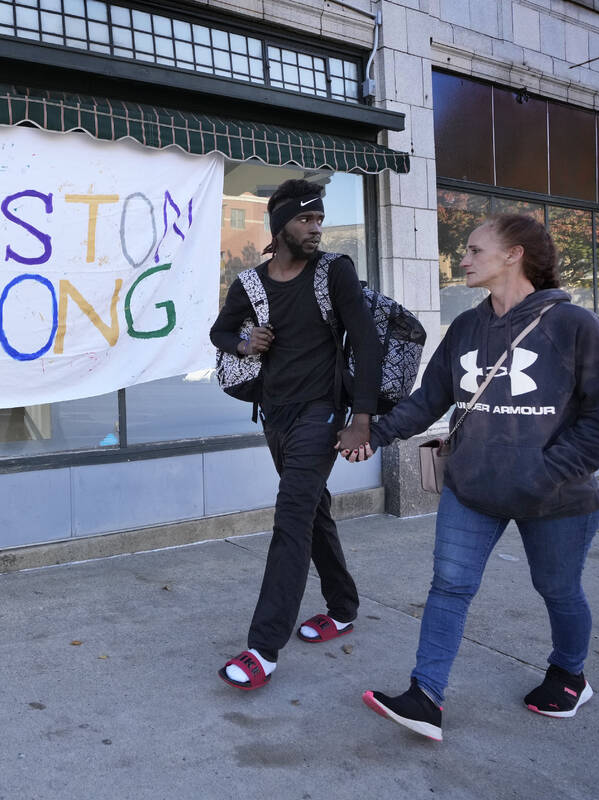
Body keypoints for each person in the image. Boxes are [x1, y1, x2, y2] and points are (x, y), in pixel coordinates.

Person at [343, 214, 599, 740]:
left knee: (558, 589)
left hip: (556, 498)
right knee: (449, 586)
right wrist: (372, 436)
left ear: (514, 254)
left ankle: (570, 673)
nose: (464, 259)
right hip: (472, 490)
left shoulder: (573, 325)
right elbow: (429, 399)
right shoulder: (466, 328)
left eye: (475, 250)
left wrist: (547, 472)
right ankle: (425, 697)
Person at [210, 178, 382, 690]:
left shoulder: (335, 272)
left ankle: (263, 649)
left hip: (323, 413)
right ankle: (344, 607)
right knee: (312, 509)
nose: (316, 229)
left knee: (291, 515)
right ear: (280, 225)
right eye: (306, 220)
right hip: (276, 413)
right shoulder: (252, 284)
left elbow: (368, 344)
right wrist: (245, 341)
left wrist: (361, 420)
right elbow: (220, 331)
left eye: (319, 220)